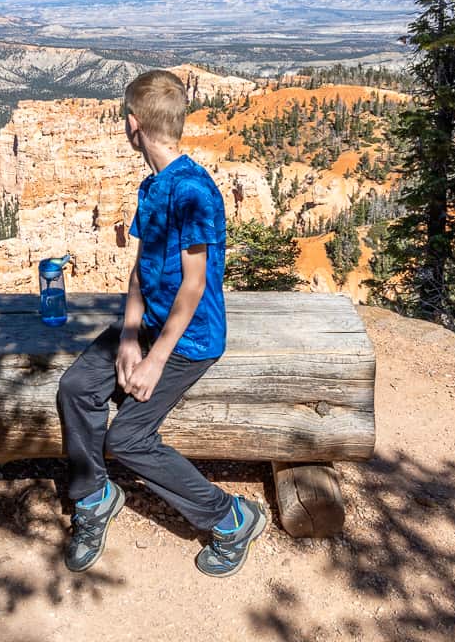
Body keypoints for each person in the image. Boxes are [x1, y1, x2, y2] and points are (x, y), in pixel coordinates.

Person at [56, 70, 267, 578]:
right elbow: (141, 270)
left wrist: (153, 358)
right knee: (75, 386)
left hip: (190, 338)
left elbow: (194, 286)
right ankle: (93, 497)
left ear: (133, 125)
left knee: (127, 438)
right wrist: (128, 337)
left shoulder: (193, 191)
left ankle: (230, 517)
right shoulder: (153, 186)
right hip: (149, 325)